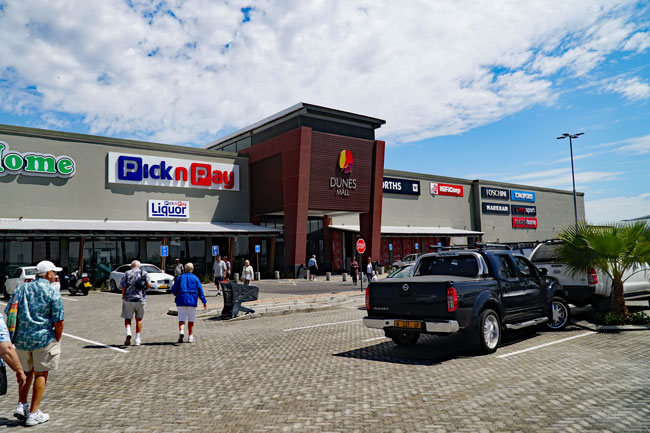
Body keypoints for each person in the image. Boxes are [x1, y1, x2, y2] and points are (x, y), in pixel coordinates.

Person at [4, 260, 64, 427]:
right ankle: (33, 412)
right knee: (41, 373)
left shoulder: (21, 288)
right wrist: (57, 337)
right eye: (54, 272)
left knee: (25, 372)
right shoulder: (52, 291)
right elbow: (59, 319)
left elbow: (9, 310)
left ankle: (21, 404)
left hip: (22, 340)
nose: (56, 275)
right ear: (47, 274)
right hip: (43, 339)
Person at [171, 262, 207, 343]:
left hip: (181, 300)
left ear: (184, 269)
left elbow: (174, 290)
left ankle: (181, 331)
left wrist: (177, 294)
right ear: (192, 270)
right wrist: (204, 301)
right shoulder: (195, 278)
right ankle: (190, 336)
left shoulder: (179, 278)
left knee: (181, 318)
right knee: (191, 319)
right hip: (192, 300)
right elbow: (200, 291)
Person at [120, 260, 151, 346]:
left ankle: (128, 332)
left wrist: (123, 295)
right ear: (139, 266)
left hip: (128, 299)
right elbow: (149, 284)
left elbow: (123, 286)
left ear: (131, 266)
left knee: (127, 318)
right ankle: (137, 339)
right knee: (139, 319)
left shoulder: (127, 273)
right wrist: (144, 290)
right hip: (140, 300)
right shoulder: (144, 273)